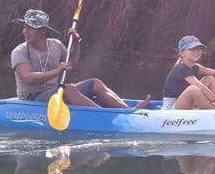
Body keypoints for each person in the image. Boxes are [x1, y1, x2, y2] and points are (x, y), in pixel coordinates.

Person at [11, 8, 148, 108]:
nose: (25, 31)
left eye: (30, 28)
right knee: (67, 89)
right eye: (25, 27)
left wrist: (76, 43)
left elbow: (72, 64)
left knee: (95, 83)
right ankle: (103, 117)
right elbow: (28, 77)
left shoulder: (56, 45)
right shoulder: (20, 51)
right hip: (32, 99)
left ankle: (129, 112)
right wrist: (57, 71)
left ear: (42, 31)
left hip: (55, 91)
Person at [161, 35, 215, 110]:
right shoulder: (181, 68)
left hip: (184, 101)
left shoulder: (194, 66)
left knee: (210, 78)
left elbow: (214, 73)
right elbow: (201, 87)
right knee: (193, 89)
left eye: (198, 49)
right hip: (171, 107)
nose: (197, 52)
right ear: (182, 53)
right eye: (192, 49)